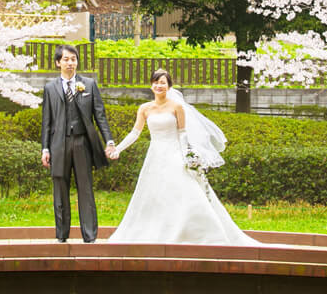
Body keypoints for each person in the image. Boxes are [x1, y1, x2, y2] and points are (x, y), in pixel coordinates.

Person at [108, 68, 258, 245]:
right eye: (156, 82)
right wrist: (118, 148)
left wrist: (189, 155)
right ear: (151, 85)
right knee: (153, 194)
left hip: (174, 154)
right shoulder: (145, 109)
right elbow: (135, 133)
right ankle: (157, 231)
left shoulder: (177, 107)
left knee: (184, 190)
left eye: (163, 82)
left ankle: (197, 232)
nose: (159, 85)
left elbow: (183, 133)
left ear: (169, 86)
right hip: (155, 156)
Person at [40, 43, 115, 243]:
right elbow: (46, 121)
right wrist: (45, 148)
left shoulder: (89, 85)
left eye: (73, 59)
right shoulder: (50, 88)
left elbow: (100, 115)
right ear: (58, 63)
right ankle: (61, 235)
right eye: (66, 59)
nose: (70, 63)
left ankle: (90, 236)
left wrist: (109, 140)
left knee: (86, 189)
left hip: (82, 142)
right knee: (60, 189)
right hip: (59, 144)